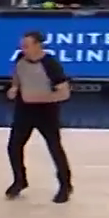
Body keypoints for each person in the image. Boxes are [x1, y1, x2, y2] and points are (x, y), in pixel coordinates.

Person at [6, 30, 74, 202]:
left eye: (26, 46)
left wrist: (39, 98)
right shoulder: (20, 58)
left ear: (38, 45)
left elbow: (64, 93)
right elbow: (17, 74)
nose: (23, 49)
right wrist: (15, 87)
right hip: (24, 110)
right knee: (14, 147)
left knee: (54, 148)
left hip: (46, 112)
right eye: (22, 46)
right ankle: (20, 180)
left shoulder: (51, 65)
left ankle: (65, 185)